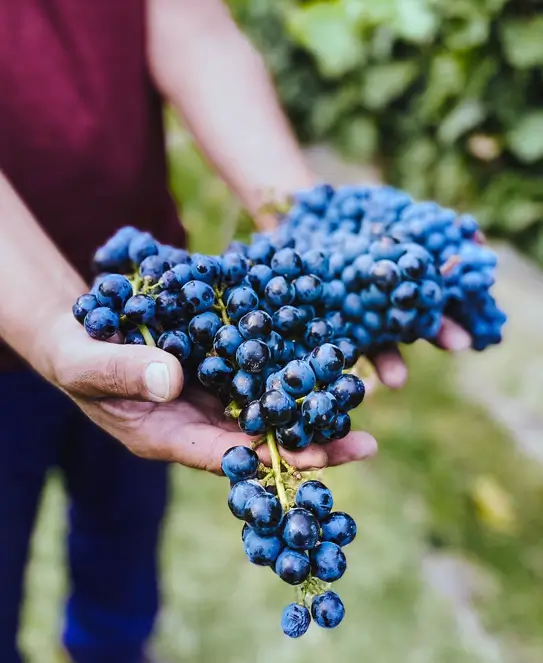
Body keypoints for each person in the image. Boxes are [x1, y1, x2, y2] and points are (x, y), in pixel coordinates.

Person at [0, 1, 471, 661]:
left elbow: (195, 32)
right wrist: (48, 315)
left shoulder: (195, 327)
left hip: (159, 336)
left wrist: (298, 217)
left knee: (123, 538)